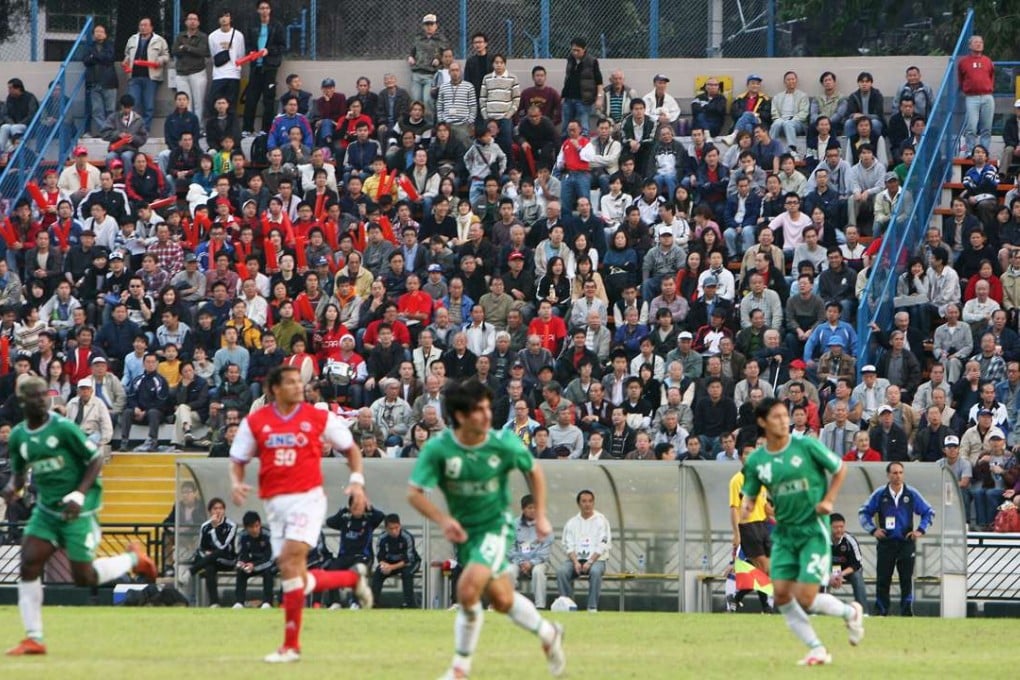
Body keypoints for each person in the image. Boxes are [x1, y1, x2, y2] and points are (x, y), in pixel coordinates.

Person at [407, 378, 565, 679]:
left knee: (466, 589)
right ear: (461, 416)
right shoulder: (439, 449)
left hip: (497, 528)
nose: (487, 415)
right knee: (502, 600)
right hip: (467, 536)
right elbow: (414, 492)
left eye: (487, 408)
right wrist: (444, 520)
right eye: (479, 410)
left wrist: (541, 515)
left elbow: (534, 471)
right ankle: (548, 633)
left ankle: (459, 668)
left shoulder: (502, 442)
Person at [228, 365, 372, 663]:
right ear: (274, 389)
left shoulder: (318, 417)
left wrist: (357, 483)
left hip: (307, 498)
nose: (298, 386)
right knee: (292, 574)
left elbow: (351, 449)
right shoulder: (256, 422)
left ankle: (291, 647)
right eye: (291, 382)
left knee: (293, 558)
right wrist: (236, 482)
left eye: (299, 381)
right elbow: (238, 458)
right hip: (274, 502)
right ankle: (350, 579)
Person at [3, 376, 156, 655]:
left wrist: (79, 494)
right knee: (28, 563)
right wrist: (10, 491)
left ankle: (134, 558)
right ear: (22, 402)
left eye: (44, 395)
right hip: (47, 511)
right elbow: (18, 475)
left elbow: (95, 458)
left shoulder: (62, 428)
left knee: (83, 578)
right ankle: (34, 638)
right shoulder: (18, 436)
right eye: (35, 396)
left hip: (79, 509)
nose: (42, 400)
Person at [740, 397, 863, 667]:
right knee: (782, 594)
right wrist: (747, 507)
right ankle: (817, 649)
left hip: (812, 532)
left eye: (786, 415)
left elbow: (840, 467)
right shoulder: (757, 460)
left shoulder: (806, 445)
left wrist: (829, 500)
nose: (784, 421)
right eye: (777, 417)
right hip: (783, 534)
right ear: (762, 422)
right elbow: (750, 493)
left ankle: (850, 612)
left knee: (806, 598)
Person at [858, 461, 935, 617]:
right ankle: (881, 610)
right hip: (886, 543)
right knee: (883, 579)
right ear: (888, 475)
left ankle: (906, 611)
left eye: (900, 472)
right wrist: (873, 530)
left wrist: (920, 530)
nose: (898, 476)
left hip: (906, 543)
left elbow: (929, 512)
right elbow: (863, 512)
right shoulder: (880, 494)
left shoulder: (911, 493)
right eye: (894, 473)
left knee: (906, 579)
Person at [728, 445, 772, 612]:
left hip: (762, 526)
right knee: (761, 568)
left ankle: (737, 597)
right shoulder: (737, 480)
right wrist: (736, 534)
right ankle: (766, 607)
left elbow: (765, 504)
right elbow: (734, 508)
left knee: (767, 569)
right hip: (748, 527)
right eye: (746, 454)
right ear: (740, 457)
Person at [556, 489, 612, 613]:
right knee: (562, 571)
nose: (587, 504)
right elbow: (568, 544)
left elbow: (603, 544)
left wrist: (590, 561)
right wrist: (575, 562)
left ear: (593, 503)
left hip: (597, 560)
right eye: (584, 501)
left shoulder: (601, 521)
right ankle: (568, 605)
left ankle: (592, 607)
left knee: (596, 571)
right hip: (576, 559)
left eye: (590, 501)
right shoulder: (572, 523)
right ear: (579, 504)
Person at [243, 0, 288, 134]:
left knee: (269, 99)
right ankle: (247, 128)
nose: (264, 11)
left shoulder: (277, 26)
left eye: (266, 8)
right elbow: (248, 44)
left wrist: (269, 51)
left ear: (270, 10)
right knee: (251, 98)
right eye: (261, 8)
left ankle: (266, 129)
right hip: (255, 67)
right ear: (258, 10)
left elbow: (282, 46)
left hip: (270, 67)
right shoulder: (252, 26)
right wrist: (251, 52)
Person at [121, 19, 170, 130]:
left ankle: (145, 129)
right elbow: (127, 54)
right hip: (134, 76)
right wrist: (126, 61)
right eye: (141, 25)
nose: (143, 27)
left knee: (149, 106)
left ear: (151, 27)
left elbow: (166, 56)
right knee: (133, 104)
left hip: (151, 77)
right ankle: (134, 129)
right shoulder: (132, 39)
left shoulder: (159, 40)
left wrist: (159, 61)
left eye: (146, 25)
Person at [508, 494, 553, 610]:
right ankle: (508, 604)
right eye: (530, 508)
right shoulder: (513, 524)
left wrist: (531, 563)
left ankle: (540, 606)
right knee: (510, 571)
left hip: (539, 562)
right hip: (518, 562)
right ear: (523, 509)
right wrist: (521, 562)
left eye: (535, 508)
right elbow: (510, 547)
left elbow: (545, 550)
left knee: (538, 572)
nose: (533, 511)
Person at [371, 513, 420, 608]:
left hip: (411, 563)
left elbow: (407, 559)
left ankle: (410, 605)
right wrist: (384, 565)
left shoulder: (407, 537)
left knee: (407, 573)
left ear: (400, 526)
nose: (394, 531)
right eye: (391, 529)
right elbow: (380, 557)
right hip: (390, 564)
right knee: (378, 573)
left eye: (396, 528)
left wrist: (391, 567)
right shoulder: (382, 538)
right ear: (386, 528)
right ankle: (373, 603)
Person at [958, 35, 995, 153]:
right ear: (970, 45)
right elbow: (960, 79)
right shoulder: (963, 62)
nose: (979, 44)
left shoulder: (988, 61)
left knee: (987, 128)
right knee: (971, 127)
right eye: (976, 42)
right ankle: (970, 151)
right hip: (971, 97)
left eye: (981, 42)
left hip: (987, 96)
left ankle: (984, 151)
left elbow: (992, 77)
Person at [234, 510, 274, 608]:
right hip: (251, 564)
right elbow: (241, 554)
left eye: (257, 526)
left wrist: (254, 566)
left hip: (267, 564)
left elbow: (270, 559)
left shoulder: (268, 535)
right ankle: (239, 602)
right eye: (251, 527)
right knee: (241, 573)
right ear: (246, 528)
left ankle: (267, 602)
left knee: (269, 572)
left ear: (260, 524)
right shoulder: (242, 536)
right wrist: (242, 563)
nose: (255, 530)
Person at [828, 513, 866, 610]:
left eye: (841, 527)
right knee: (817, 578)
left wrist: (840, 574)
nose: (839, 530)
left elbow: (857, 563)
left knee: (857, 576)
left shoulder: (850, 540)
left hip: (847, 571)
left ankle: (863, 612)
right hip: (827, 571)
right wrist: (830, 575)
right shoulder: (821, 540)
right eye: (835, 527)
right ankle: (815, 611)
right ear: (828, 527)